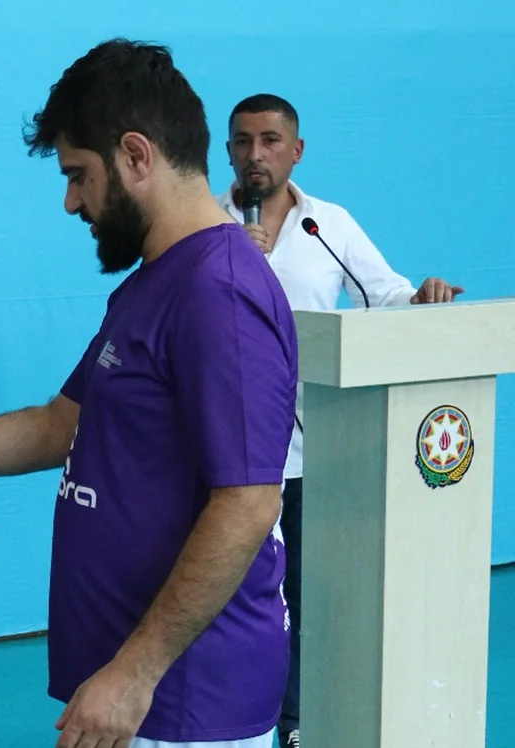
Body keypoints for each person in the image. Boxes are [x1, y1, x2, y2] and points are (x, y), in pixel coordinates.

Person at [0, 39, 295, 748]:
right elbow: (58, 425)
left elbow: (248, 501)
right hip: (135, 687)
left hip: (183, 702)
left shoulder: (216, 293)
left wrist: (134, 673)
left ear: (136, 156)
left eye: (78, 175)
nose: (72, 202)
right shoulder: (155, 283)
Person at [217, 92, 464, 748]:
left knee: (302, 596)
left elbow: (385, 295)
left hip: (308, 451)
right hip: (224, 451)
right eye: (242, 141)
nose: (255, 154)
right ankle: (233, 721)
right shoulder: (204, 226)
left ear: (297, 151)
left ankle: (296, 725)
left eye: (270, 140)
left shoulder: (328, 225)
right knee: (231, 597)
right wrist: (229, 259)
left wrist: (423, 297)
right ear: (227, 151)